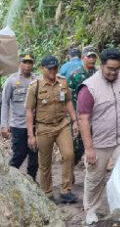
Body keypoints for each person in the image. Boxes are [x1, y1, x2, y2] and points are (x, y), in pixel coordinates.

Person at [77, 48, 120, 225]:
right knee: (95, 178)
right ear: (101, 66)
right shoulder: (89, 87)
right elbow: (83, 119)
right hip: (99, 142)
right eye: (109, 69)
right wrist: (89, 148)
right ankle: (91, 210)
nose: (113, 72)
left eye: (116, 68)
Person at [25, 55, 79, 204]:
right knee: (45, 163)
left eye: (55, 67)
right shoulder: (35, 86)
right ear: (42, 69)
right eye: (50, 68)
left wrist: (74, 120)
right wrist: (31, 135)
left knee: (69, 155)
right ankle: (47, 192)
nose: (53, 71)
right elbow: (29, 111)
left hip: (62, 125)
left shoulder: (62, 81)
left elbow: (68, 101)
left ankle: (65, 190)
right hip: (43, 127)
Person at [1, 53, 38, 180]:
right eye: (25, 62)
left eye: (30, 62)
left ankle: (32, 183)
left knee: (34, 158)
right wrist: (4, 125)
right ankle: (8, 181)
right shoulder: (11, 81)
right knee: (19, 155)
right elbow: (5, 103)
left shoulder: (36, 80)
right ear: (19, 63)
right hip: (18, 125)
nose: (27, 65)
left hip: (35, 125)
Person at [67, 44, 98, 166]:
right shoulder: (75, 76)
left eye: (94, 57)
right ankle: (70, 171)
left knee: (96, 145)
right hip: (80, 116)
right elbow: (68, 99)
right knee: (77, 148)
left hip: (96, 116)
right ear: (83, 58)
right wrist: (73, 119)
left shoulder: (98, 74)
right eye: (89, 56)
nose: (92, 59)